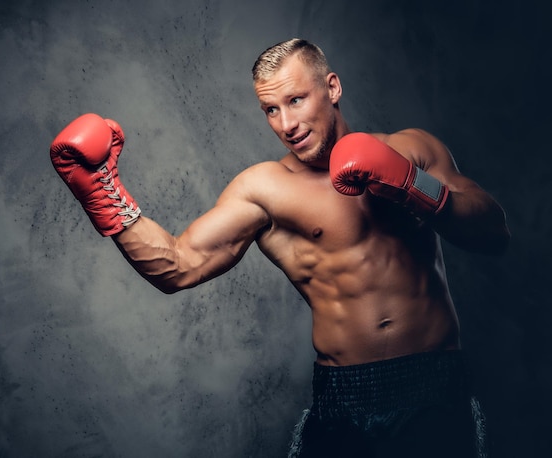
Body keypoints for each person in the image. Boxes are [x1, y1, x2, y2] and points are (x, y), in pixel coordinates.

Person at [49, 38, 510, 457]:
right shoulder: (264, 189)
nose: (286, 124)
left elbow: (492, 232)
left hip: (434, 385)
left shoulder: (410, 149)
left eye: (295, 100)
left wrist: (413, 185)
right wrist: (103, 196)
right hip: (341, 396)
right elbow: (178, 266)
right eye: (271, 110)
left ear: (331, 87)